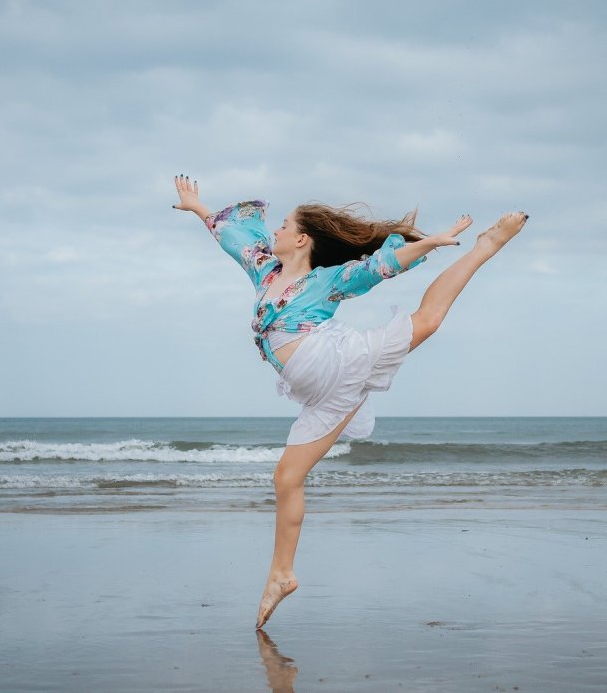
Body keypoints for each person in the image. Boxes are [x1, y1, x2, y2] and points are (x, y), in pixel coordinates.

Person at [172, 174, 528, 628]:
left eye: (283, 224)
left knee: (428, 320)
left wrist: (429, 243)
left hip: (340, 362)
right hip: (319, 397)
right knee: (286, 479)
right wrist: (198, 207)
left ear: (301, 239)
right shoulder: (263, 268)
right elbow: (230, 238)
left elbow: (380, 267)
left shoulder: (327, 280)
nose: (275, 229)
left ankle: (486, 246)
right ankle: (281, 575)